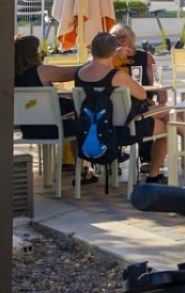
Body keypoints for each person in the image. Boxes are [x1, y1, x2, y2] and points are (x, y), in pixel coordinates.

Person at [74, 32, 150, 181]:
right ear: (114, 51)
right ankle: (153, 173)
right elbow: (142, 95)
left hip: (91, 128)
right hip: (122, 130)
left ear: (92, 49)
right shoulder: (117, 76)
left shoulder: (79, 73)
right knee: (167, 122)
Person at [113, 24, 171, 181]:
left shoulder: (145, 57)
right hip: (117, 106)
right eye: (115, 38)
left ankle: (148, 159)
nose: (118, 41)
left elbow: (156, 80)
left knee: (156, 112)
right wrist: (114, 55)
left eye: (122, 37)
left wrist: (161, 90)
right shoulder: (108, 59)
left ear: (131, 39)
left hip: (142, 100)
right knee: (163, 118)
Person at [14, 35, 80, 171]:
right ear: (32, 53)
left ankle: (79, 169)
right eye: (39, 50)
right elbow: (76, 72)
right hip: (52, 129)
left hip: (28, 130)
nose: (41, 54)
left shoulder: (12, 75)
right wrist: (99, 63)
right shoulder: (42, 71)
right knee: (83, 121)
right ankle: (83, 171)